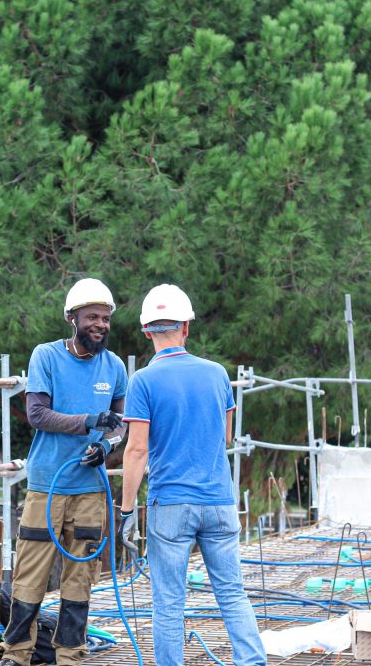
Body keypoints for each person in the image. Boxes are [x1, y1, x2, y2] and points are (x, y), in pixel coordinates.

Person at [118, 283, 266, 666]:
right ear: (186, 327)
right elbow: (227, 435)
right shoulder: (217, 374)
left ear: (147, 332)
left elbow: (136, 449)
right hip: (219, 501)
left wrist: (126, 509)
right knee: (232, 593)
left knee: (169, 602)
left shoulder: (144, 381)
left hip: (171, 504)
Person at [0, 278, 128, 666]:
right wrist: (90, 421)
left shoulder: (115, 366)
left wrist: (106, 445)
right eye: (91, 317)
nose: (100, 325)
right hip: (47, 485)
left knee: (81, 578)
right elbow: (37, 414)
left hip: (91, 489)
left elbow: (120, 424)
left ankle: (71, 655)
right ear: (72, 318)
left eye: (105, 318)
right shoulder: (47, 356)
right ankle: (17, 654)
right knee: (30, 575)